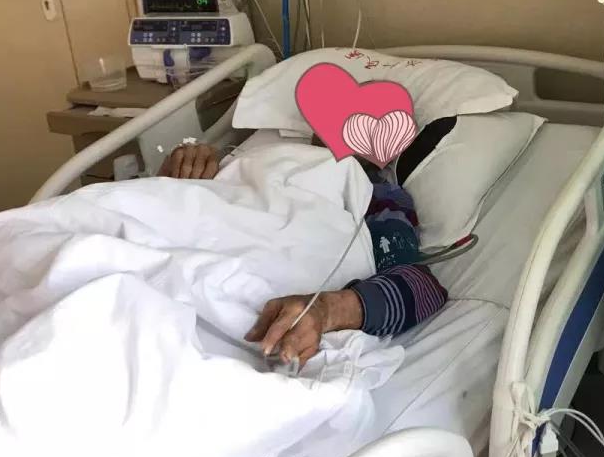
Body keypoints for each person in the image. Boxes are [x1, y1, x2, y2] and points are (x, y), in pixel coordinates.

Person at [159, 142, 448, 365]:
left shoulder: (376, 194)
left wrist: (325, 310)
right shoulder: (237, 158)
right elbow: (169, 209)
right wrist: (179, 171)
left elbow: (420, 287)